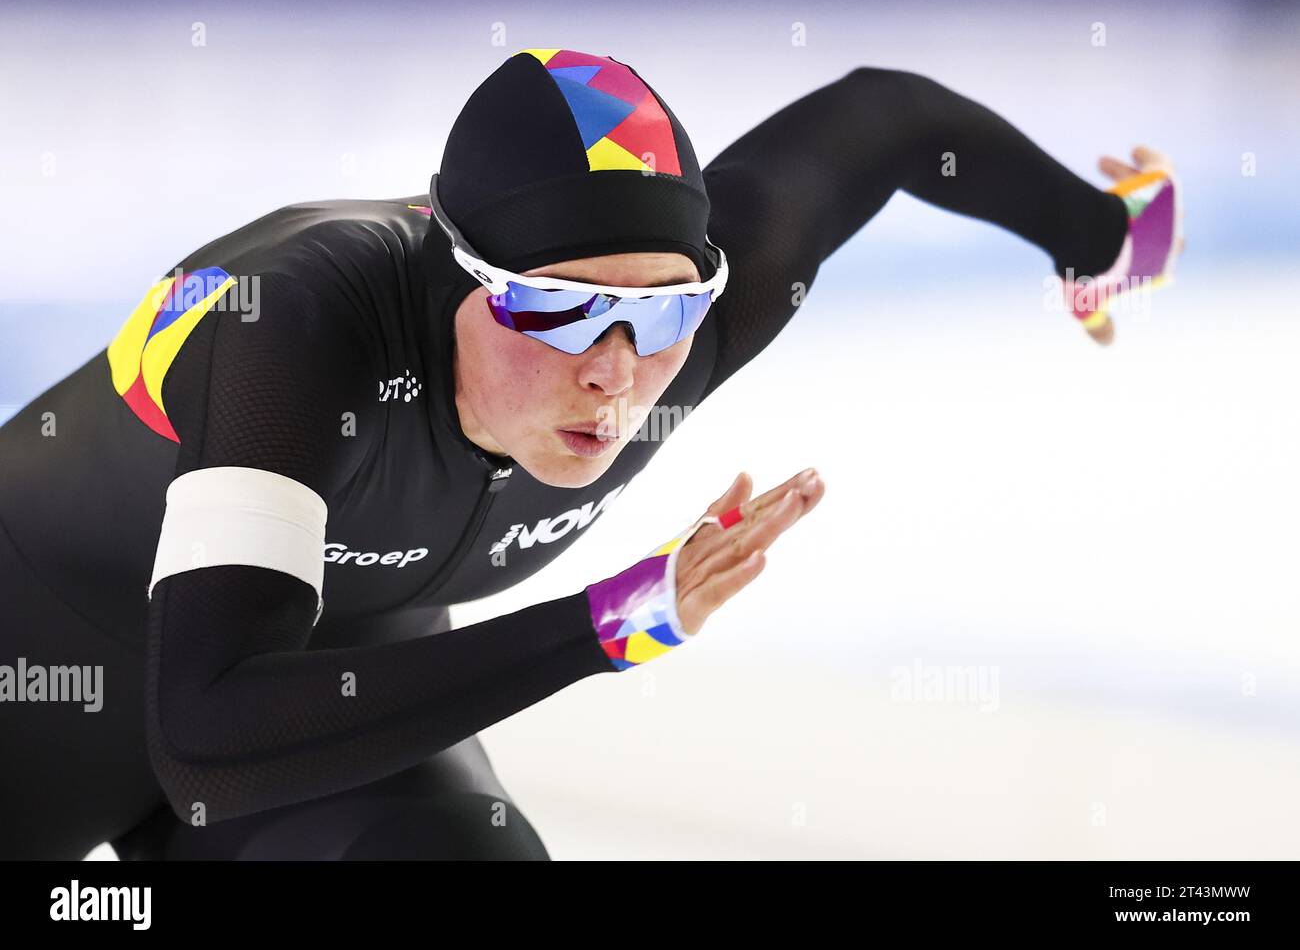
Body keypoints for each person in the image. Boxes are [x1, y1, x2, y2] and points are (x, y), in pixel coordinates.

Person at [0, 47, 1182, 860]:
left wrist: (1104, 238)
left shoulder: (700, 314)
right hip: (48, 668)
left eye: (662, 312)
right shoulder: (298, 323)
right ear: (450, 279)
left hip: (323, 683)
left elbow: (891, 119)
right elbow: (204, 733)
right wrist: (608, 623)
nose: (616, 369)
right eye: (556, 308)